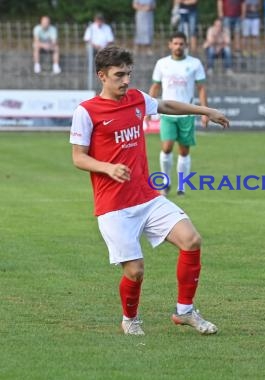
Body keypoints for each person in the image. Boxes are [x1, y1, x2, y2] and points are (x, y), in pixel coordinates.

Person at [70, 45, 229, 336]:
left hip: (147, 197)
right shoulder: (87, 112)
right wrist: (107, 167)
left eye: (128, 74)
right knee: (135, 271)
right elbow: (78, 157)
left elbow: (167, 105)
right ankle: (130, 318)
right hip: (113, 206)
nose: (126, 80)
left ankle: (185, 311)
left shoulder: (136, 99)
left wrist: (206, 110)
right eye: (119, 75)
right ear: (102, 76)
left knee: (191, 240)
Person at [149, 32, 209, 197]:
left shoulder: (194, 64)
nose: (178, 46)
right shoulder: (162, 64)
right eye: (175, 43)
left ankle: (182, 185)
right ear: (170, 45)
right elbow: (155, 86)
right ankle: (166, 183)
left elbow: (201, 88)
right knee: (167, 147)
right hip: (167, 112)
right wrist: (147, 108)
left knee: (184, 151)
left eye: (181, 44)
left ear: (186, 45)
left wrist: (204, 111)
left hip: (187, 113)